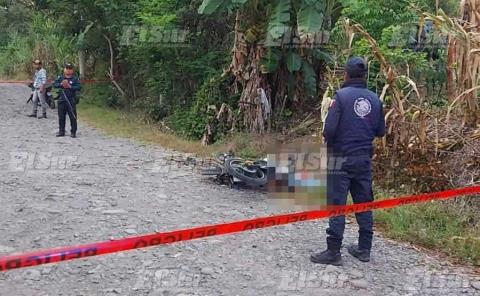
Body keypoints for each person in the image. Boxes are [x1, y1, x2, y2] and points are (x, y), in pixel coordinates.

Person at [310, 57, 386, 266]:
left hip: (340, 159)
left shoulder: (340, 97)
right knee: (364, 203)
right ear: (364, 76)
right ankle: (364, 249)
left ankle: (333, 251)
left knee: (337, 205)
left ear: (346, 74)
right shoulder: (375, 99)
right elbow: (380, 131)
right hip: (363, 160)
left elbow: (330, 130)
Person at [53, 63, 81, 138]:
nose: (68, 70)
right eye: (67, 68)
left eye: (70, 69)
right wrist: (61, 84)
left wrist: (70, 86)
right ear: (64, 69)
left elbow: (78, 87)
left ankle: (73, 132)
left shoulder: (75, 79)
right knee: (61, 117)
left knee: (73, 117)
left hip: (71, 100)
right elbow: (54, 84)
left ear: (72, 70)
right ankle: (61, 131)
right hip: (62, 100)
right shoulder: (60, 77)